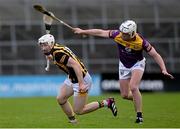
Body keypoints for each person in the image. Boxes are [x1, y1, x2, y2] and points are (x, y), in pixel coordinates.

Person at [73, 20, 174, 123]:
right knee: (124, 95)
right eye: (122, 32)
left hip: (137, 64)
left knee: (134, 87)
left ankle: (139, 116)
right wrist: (83, 31)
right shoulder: (117, 34)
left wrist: (163, 69)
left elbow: (155, 55)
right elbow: (100, 32)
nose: (122, 35)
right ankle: (137, 97)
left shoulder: (141, 42)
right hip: (123, 65)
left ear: (132, 33)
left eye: (125, 34)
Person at [37, 33, 118, 124]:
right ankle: (73, 121)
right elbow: (64, 61)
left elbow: (76, 65)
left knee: (79, 110)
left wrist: (81, 83)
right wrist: (51, 57)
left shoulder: (58, 53)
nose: (43, 48)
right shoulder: (55, 48)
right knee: (61, 98)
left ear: (51, 43)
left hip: (81, 79)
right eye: (42, 45)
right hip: (72, 78)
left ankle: (108, 102)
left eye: (45, 45)